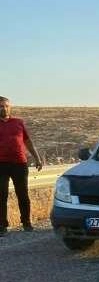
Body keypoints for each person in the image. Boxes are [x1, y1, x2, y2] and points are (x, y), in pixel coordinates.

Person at [0, 96, 44, 236]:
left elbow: (28, 141)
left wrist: (37, 158)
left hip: (20, 163)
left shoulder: (18, 122)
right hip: (1, 165)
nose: (4, 108)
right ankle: (2, 226)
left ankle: (26, 223)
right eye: (1, 106)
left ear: (10, 107)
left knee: (23, 194)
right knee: (1, 195)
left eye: (6, 106)